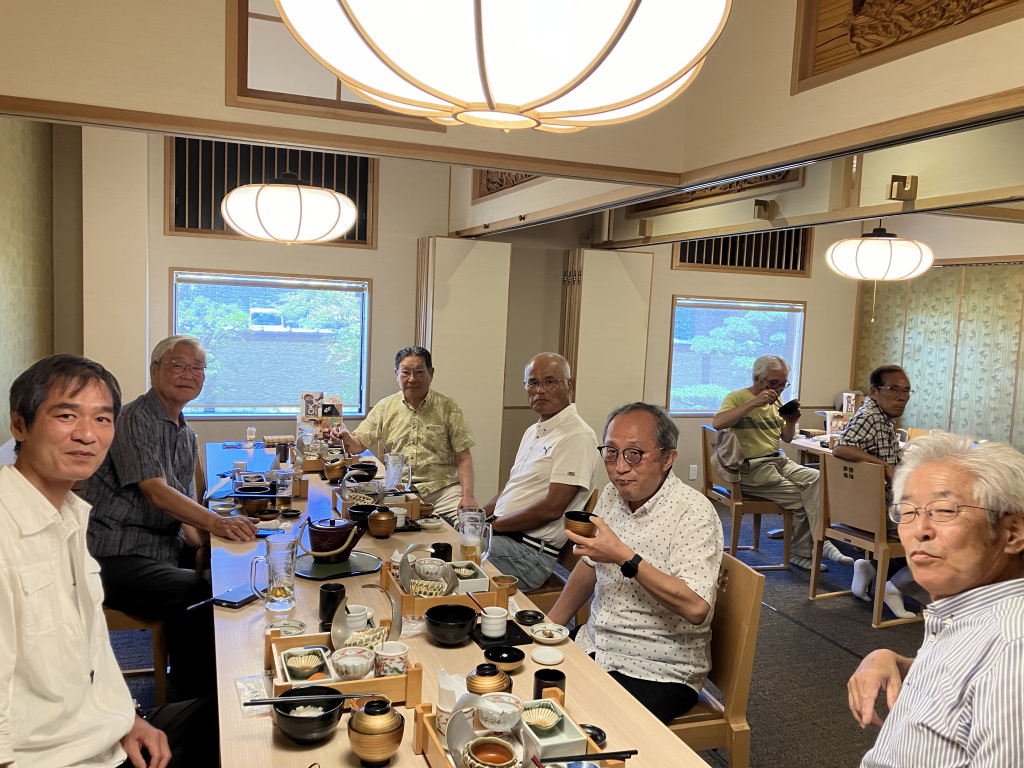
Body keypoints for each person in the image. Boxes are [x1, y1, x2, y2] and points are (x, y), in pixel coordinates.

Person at [1, 354, 217, 768]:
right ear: (19, 425)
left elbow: (92, 654)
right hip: (60, 758)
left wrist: (128, 719)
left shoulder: (68, 518)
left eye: (102, 419)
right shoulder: (8, 533)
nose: (87, 435)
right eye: (66, 416)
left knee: (254, 710)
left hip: (106, 733)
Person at [85, 335, 258, 697]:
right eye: (177, 365)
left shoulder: (186, 433)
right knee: (192, 589)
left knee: (233, 564)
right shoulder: (134, 418)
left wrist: (202, 546)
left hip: (160, 545)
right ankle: (193, 697)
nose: (187, 374)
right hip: (114, 553)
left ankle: (237, 668)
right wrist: (216, 523)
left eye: (197, 368)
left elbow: (182, 508)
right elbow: (156, 491)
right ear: (154, 371)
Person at [847, 433, 1024, 768]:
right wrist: (893, 660)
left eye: (944, 510)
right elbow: (966, 685)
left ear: (1012, 532)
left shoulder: (1013, 650)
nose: (919, 530)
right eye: (907, 512)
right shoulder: (964, 616)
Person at [547, 403, 723, 724]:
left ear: (668, 458)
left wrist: (624, 556)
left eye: (634, 454)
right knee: (522, 680)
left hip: (659, 669)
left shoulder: (693, 512)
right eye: (611, 453)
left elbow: (697, 608)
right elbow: (589, 566)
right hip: (596, 644)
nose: (619, 468)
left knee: (568, 723)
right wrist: (549, 626)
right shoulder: (613, 495)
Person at [713, 354, 852, 570]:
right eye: (773, 383)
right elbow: (718, 422)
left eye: (783, 384)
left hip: (777, 461)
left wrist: (790, 422)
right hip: (750, 469)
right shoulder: (737, 397)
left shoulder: (776, 402)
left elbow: (786, 438)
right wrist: (754, 403)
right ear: (757, 379)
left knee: (817, 479)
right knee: (803, 498)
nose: (778, 389)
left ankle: (817, 541)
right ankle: (807, 549)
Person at [483, 353, 600, 592]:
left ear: (570, 385)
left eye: (549, 381)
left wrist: (494, 525)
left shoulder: (577, 436)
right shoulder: (533, 431)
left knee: (448, 553)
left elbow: (552, 508)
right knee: (443, 538)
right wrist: (477, 517)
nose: (540, 390)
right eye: (533, 383)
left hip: (529, 555)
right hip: (505, 539)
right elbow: (512, 487)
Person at [336, 346, 477, 522]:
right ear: (397, 374)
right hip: (399, 489)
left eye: (419, 372)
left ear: (431, 373)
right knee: (375, 524)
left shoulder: (449, 408)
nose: (412, 379)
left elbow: (463, 457)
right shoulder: (385, 407)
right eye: (405, 373)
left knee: (469, 523)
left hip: (443, 491)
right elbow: (358, 444)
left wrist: (468, 496)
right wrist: (346, 438)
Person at [833, 365, 924, 618]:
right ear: (874, 391)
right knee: (937, 536)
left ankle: (871, 567)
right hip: (879, 510)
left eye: (906, 391)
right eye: (894, 389)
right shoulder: (871, 417)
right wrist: (883, 465)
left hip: (868, 507)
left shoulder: (883, 418)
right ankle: (894, 587)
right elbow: (841, 448)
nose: (902, 397)